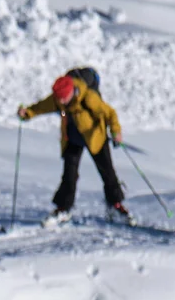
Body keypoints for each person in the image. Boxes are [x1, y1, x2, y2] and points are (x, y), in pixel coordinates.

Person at [17, 67, 131, 225]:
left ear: (71, 92)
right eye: (59, 98)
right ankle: (63, 209)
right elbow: (42, 106)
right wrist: (27, 113)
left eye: (63, 98)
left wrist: (116, 131)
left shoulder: (89, 98)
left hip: (95, 138)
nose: (60, 101)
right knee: (69, 176)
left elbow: (110, 113)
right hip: (72, 139)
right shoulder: (58, 98)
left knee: (108, 173)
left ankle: (115, 206)